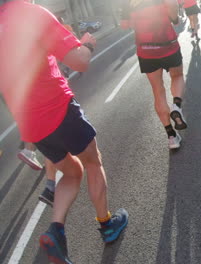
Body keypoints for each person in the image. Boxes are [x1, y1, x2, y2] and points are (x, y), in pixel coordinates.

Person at [0, 1, 128, 263]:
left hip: (31, 125)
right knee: (93, 162)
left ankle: (55, 231)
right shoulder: (31, 14)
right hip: (58, 109)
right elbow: (79, 62)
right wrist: (87, 43)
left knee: (71, 172)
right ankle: (107, 225)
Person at [121, 0, 187, 149]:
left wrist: (139, 22)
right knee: (177, 76)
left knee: (158, 90)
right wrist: (174, 19)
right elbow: (172, 4)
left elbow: (124, 24)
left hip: (146, 50)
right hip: (167, 44)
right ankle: (176, 107)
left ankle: (171, 136)